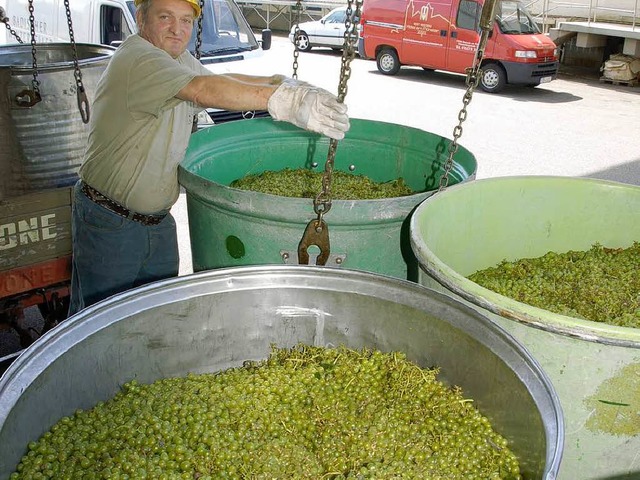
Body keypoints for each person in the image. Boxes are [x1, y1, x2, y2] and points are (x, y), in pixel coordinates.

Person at [68, 0, 350, 315]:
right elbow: (202, 89)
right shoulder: (139, 58)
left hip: (156, 222)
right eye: (166, 17)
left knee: (155, 319)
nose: (178, 29)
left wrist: (282, 83)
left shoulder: (175, 58)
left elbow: (222, 81)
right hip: (111, 223)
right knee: (99, 324)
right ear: (140, 18)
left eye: (186, 20)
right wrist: (285, 101)